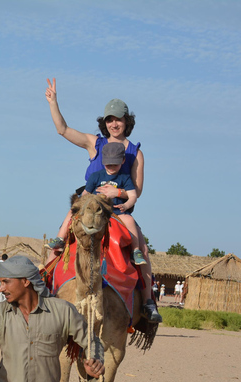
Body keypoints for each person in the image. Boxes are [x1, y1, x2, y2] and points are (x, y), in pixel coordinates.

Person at [44, 78, 161, 323]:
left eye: (118, 119)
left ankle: (148, 301)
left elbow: (136, 189)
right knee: (56, 245)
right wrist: (53, 103)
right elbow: (62, 130)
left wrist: (115, 194)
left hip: (118, 209)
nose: (114, 123)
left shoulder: (134, 152)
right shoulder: (94, 143)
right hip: (88, 207)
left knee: (144, 251)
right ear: (104, 122)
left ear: (126, 121)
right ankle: (44, 292)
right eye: (109, 119)